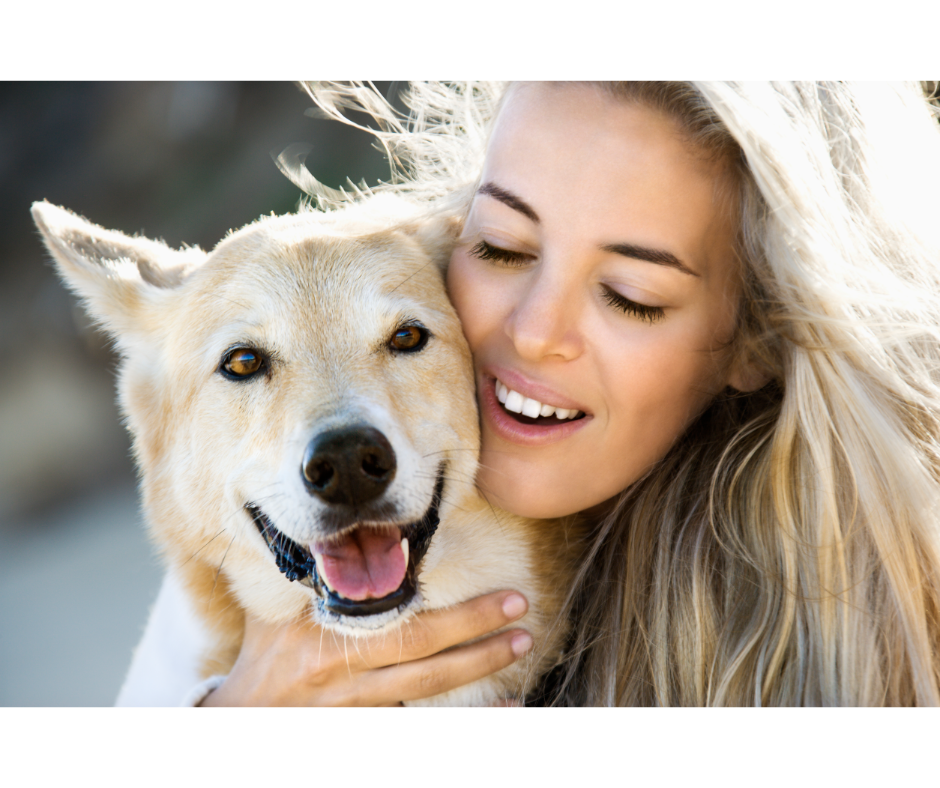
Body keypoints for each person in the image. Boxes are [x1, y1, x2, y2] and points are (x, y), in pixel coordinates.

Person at [118, 81, 940, 706]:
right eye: (504, 248)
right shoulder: (245, 569)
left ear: (758, 338)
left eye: (631, 295)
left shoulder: (868, 640)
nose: (533, 332)